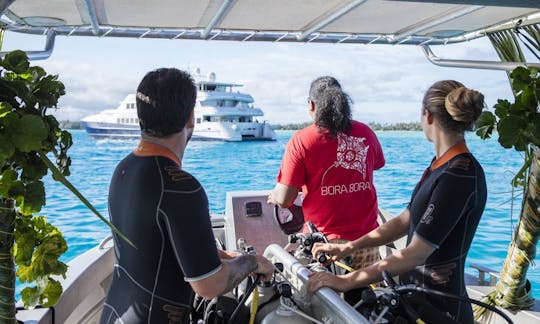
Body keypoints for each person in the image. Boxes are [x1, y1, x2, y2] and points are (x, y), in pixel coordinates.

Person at [100, 68, 274, 324]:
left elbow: (158, 250)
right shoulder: (181, 188)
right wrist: (253, 263)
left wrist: (227, 257)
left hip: (115, 315)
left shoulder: (124, 169)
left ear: (141, 117)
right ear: (191, 117)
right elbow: (209, 285)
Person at [308, 80, 487, 324]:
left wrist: (345, 281)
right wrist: (348, 247)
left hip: (441, 311)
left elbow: (415, 254)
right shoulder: (440, 166)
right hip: (415, 302)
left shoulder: (459, 175)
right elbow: (406, 219)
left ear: (428, 116)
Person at [268, 76, 385, 270]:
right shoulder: (366, 133)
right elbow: (376, 165)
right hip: (368, 241)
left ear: (312, 106)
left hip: (325, 244)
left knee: (326, 298)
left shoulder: (302, 140)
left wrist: (275, 197)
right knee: (367, 297)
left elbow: (285, 199)